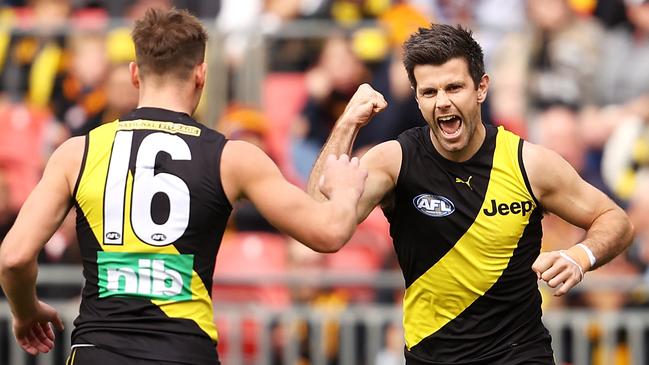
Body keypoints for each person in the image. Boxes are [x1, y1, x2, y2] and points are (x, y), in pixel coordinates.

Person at [0, 8, 367, 365]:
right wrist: (347, 174)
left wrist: (25, 310)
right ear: (201, 75)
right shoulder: (232, 158)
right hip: (183, 351)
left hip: (98, 349)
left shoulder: (77, 153)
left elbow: (13, 258)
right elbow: (328, 232)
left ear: (134, 74)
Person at [307, 24, 634, 364]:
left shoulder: (528, 163)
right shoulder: (395, 160)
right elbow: (316, 219)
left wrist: (580, 257)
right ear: (417, 97)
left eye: (454, 87)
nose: (443, 102)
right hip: (431, 357)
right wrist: (346, 124)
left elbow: (616, 221)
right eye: (429, 92)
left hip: (519, 354)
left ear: (481, 88)